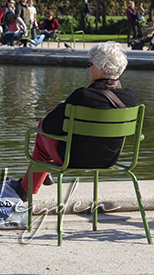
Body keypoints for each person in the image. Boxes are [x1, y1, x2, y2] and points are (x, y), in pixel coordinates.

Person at [8, 42, 137, 201]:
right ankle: (35, 179)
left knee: (41, 128)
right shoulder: (130, 97)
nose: (87, 68)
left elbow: (49, 127)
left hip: (72, 159)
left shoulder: (82, 96)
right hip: (110, 158)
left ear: (101, 68)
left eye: (89, 64)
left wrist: (60, 109)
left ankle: (28, 186)